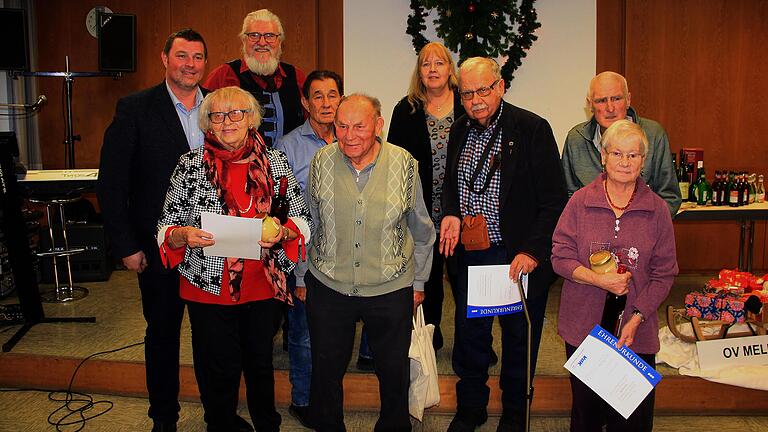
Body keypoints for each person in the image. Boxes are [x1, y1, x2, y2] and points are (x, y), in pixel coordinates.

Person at [155, 86, 312, 432]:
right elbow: (166, 225)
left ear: (252, 119)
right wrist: (182, 235)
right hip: (206, 287)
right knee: (217, 365)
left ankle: (266, 423)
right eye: (218, 115)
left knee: (259, 362)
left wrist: (283, 232)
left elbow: (302, 220)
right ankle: (220, 422)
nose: (228, 122)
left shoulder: (276, 163)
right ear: (207, 123)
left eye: (236, 113)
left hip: (262, 284)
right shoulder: (189, 165)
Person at [440, 57, 567, 432]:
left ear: (500, 86)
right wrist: (449, 211)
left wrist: (532, 250)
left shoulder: (531, 129)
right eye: (467, 93)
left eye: (483, 90)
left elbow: (554, 200)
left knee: (518, 339)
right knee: (471, 336)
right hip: (473, 254)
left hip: (518, 255)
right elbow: (451, 182)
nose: (475, 99)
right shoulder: (459, 129)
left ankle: (514, 414)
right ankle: (471, 409)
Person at [97, 28, 208, 432]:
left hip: (211, 247)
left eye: (197, 57)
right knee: (162, 335)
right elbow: (111, 183)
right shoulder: (135, 108)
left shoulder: (220, 107)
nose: (189, 64)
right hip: (158, 247)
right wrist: (125, 245)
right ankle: (164, 418)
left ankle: (216, 413)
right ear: (165, 59)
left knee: (210, 339)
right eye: (182, 55)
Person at [304, 94, 436, 431]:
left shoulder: (405, 164)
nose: (349, 135)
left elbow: (421, 230)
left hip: (390, 286)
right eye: (342, 126)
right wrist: (303, 274)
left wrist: (418, 282)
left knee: (393, 371)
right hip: (330, 283)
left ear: (378, 125)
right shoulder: (321, 161)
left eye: (359, 126)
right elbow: (309, 222)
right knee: (325, 369)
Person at [552, 119, 678, 432]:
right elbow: (560, 257)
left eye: (633, 155)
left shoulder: (658, 210)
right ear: (603, 157)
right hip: (584, 325)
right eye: (617, 154)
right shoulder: (580, 202)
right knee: (587, 414)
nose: (625, 162)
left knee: (632, 415)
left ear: (643, 161)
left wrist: (637, 317)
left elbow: (665, 273)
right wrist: (597, 280)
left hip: (635, 329)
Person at [274, 69, 343, 428]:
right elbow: (282, 207)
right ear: (305, 102)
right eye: (318, 96)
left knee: (338, 332)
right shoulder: (287, 146)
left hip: (346, 255)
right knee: (302, 335)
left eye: (333, 95)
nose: (326, 103)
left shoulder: (353, 138)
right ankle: (303, 399)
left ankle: (331, 396)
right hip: (304, 257)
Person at [387, 41, 463, 352]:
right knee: (426, 279)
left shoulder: (466, 104)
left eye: (439, 63)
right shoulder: (406, 109)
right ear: (419, 71)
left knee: (463, 279)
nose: (432, 69)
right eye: (426, 63)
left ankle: (472, 341)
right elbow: (393, 160)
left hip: (460, 210)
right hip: (420, 209)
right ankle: (429, 336)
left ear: (450, 70)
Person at [561, 71, 681, 215]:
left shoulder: (653, 135)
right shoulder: (576, 139)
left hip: (642, 231)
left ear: (628, 99)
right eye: (601, 100)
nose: (610, 108)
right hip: (591, 233)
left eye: (616, 98)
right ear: (590, 104)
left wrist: (641, 228)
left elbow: (669, 197)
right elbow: (567, 198)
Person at [205, 8, 305, 147]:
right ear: (244, 40)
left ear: (280, 41)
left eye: (270, 35)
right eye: (254, 35)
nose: (262, 42)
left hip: (289, 165)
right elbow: (205, 122)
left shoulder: (296, 76)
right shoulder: (224, 75)